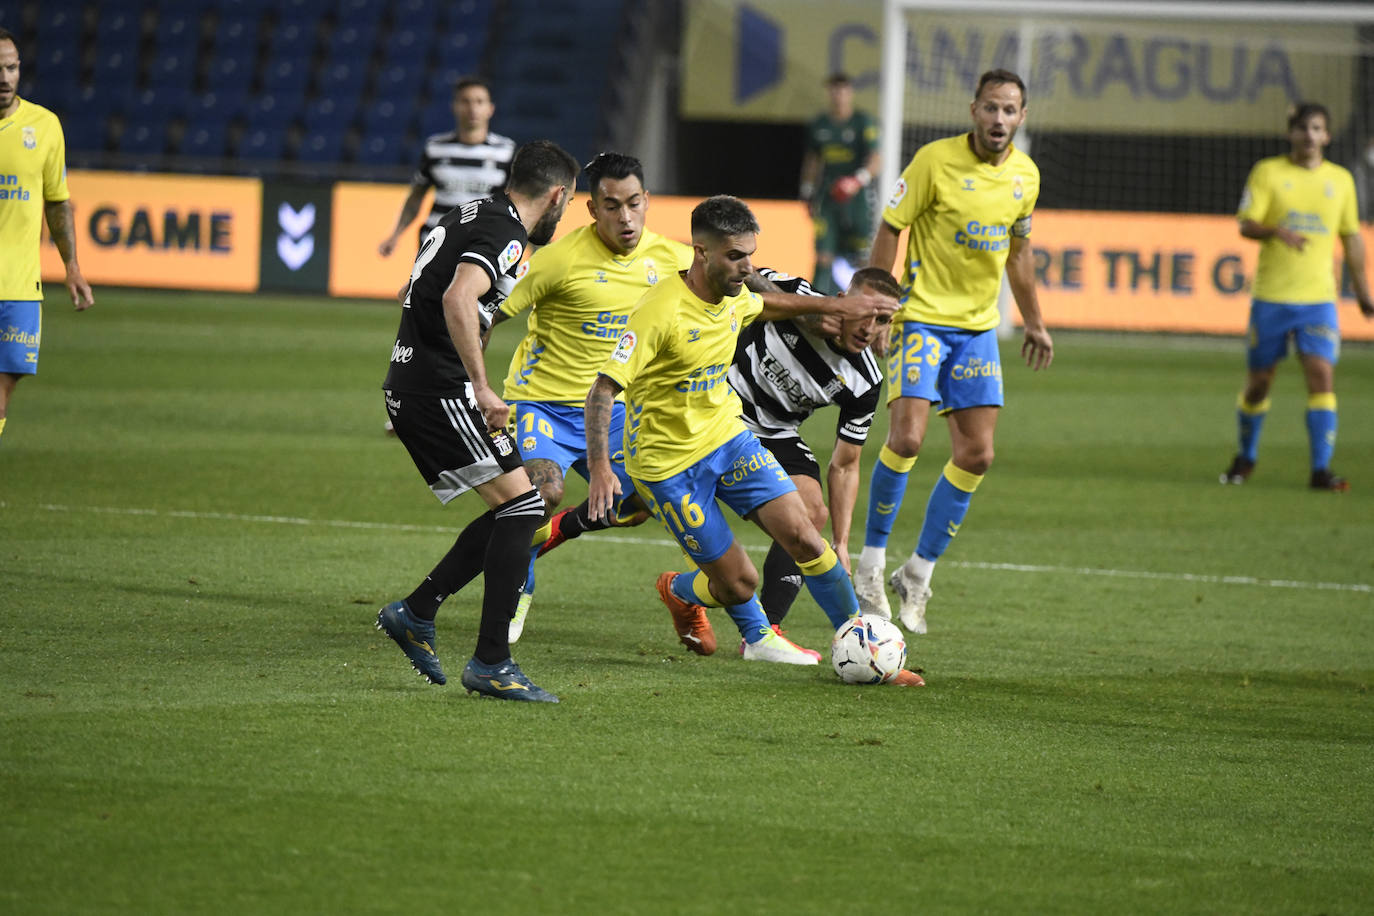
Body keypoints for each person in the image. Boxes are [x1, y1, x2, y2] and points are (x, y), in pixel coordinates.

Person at [584, 195, 921, 685]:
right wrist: (599, 469)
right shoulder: (658, 312)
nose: (748, 267)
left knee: (806, 532)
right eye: (736, 257)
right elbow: (602, 390)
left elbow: (774, 302)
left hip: (728, 439)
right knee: (740, 581)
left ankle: (869, 654)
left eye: (750, 254)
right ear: (701, 252)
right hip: (667, 465)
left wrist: (835, 307)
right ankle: (694, 598)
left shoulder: (738, 298)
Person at [851, 69, 1053, 636]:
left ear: (1022, 117)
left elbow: (1019, 253)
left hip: (977, 330)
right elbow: (892, 228)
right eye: (990, 108)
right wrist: (878, 305)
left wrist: (1035, 322)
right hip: (921, 319)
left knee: (977, 455)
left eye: (1009, 110)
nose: (998, 120)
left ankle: (917, 574)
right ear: (973, 110)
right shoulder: (932, 162)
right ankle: (870, 564)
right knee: (907, 438)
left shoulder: (1025, 177)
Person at [375, 139, 578, 703]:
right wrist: (482, 387)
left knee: (519, 507)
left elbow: (409, 290)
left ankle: (417, 612)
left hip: (419, 384)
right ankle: (491, 659)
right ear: (558, 196)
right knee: (524, 507)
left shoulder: (466, 213)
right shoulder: (508, 233)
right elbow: (459, 298)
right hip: (441, 389)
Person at [488, 151, 693, 641]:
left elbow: (742, 288)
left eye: (634, 203)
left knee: (638, 503)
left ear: (648, 201)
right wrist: (471, 382)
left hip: (613, 410)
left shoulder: (675, 260)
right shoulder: (557, 259)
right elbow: (488, 313)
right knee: (541, 493)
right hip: (540, 403)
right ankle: (518, 588)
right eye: (611, 205)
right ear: (591, 209)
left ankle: (534, 544)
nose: (625, 217)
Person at [1220, 101, 1374, 492]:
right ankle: (1246, 457)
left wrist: (1363, 292)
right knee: (1259, 384)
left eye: (1317, 128)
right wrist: (1276, 231)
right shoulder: (1268, 172)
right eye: (1303, 128)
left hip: (1318, 300)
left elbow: (1352, 238)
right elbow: (1246, 224)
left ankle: (1321, 471)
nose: (1310, 135)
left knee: (1322, 376)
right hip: (1271, 297)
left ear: (1328, 136)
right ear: (1291, 133)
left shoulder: (1340, 181)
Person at [732, 266, 895, 634]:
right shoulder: (795, 291)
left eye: (881, 319)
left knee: (811, 514)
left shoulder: (865, 381)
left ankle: (768, 630)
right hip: (717, 403)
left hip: (775, 430)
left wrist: (840, 542)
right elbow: (743, 274)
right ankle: (569, 525)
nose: (869, 327)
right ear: (841, 301)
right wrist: (805, 310)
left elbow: (846, 465)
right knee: (636, 507)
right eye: (862, 311)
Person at [0, 28, 94, 443]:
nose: (5, 77)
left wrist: (72, 267)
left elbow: (57, 202)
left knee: (1, 398)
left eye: (12, 67)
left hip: (20, 288)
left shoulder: (45, 126)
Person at [377, 77, 515, 258]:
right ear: (454, 106)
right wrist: (395, 235)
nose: (473, 108)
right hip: (437, 239)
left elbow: (516, 202)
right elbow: (416, 196)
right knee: (418, 287)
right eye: (465, 101)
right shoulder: (435, 148)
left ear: (490, 109)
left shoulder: (505, 151)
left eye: (479, 102)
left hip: (482, 243)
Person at [800, 72, 880, 296]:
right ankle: (814, 303)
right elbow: (813, 161)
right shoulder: (820, 124)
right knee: (824, 253)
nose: (838, 95)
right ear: (829, 92)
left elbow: (876, 158)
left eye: (843, 89)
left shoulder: (862, 122)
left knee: (863, 255)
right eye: (834, 89)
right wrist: (807, 192)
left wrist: (857, 180)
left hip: (858, 198)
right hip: (828, 197)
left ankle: (868, 301)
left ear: (850, 92)